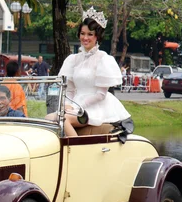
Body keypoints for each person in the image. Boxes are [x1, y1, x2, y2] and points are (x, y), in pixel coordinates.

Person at [55, 7, 131, 137]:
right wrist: (68, 105)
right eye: (82, 33)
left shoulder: (103, 59)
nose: (85, 38)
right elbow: (70, 90)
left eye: (90, 34)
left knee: (63, 119)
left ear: (97, 37)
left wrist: (77, 107)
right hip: (75, 106)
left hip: (95, 107)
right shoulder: (73, 59)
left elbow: (101, 94)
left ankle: (77, 149)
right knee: (49, 118)